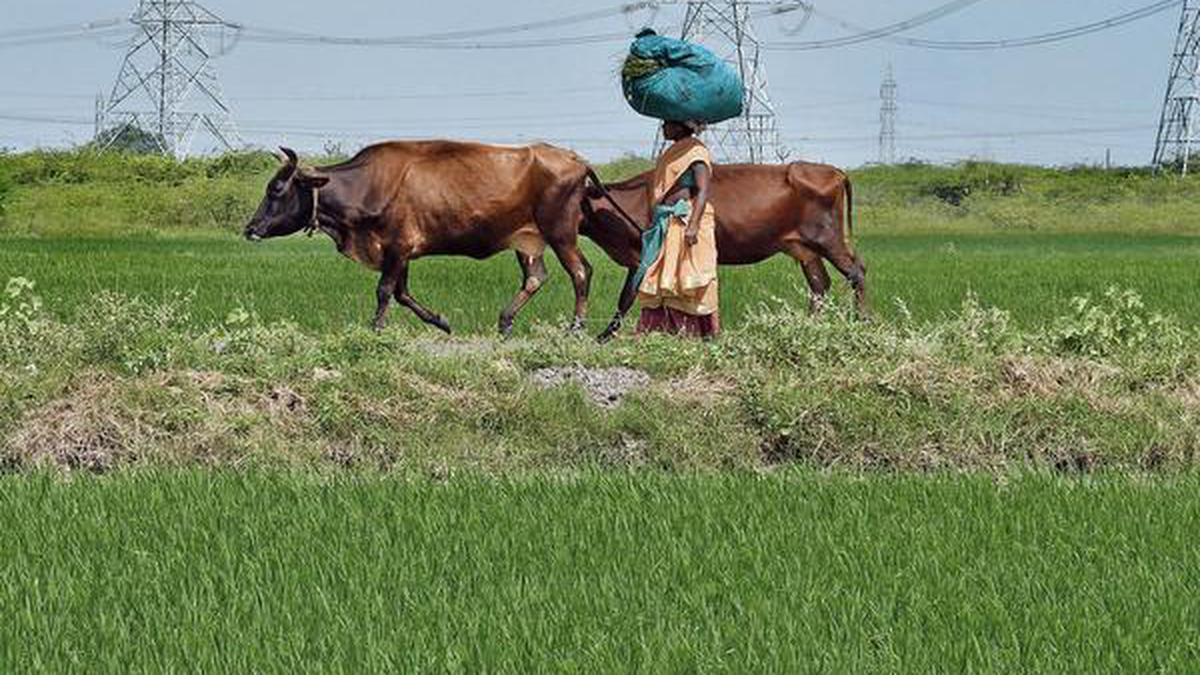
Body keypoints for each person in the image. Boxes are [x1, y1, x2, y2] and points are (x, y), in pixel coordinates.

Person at [633, 119, 720, 339]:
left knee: (684, 276)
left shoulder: (696, 152)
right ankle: (660, 333)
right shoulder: (672, 152)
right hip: (667, 220)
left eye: (668, 124)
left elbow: (702, 191)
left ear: (682, 125)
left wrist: (693, 225)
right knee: (661, 275)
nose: (663, 128)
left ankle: (692, 334)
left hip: (685, 220)